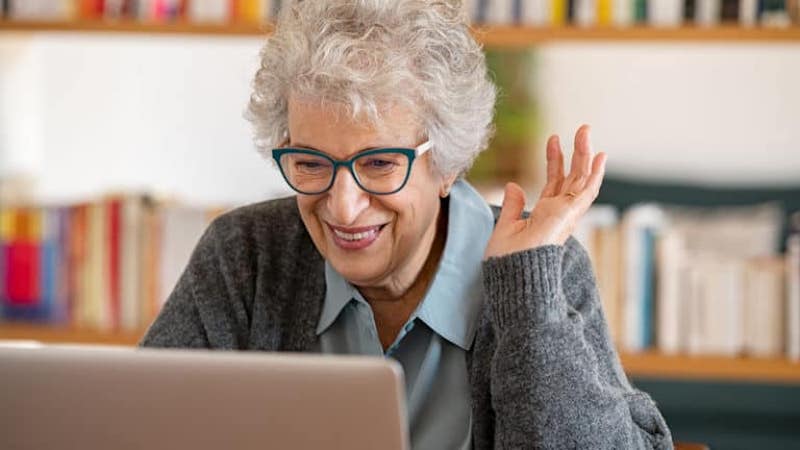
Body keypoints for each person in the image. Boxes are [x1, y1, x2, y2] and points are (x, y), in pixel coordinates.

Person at [141, 0, 673, 448]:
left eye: (378, 164)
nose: (343, 208)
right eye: (309, 163)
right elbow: (139, 427)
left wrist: (528, 304)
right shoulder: (245, 256)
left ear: (446, 164)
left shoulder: (540, 273)